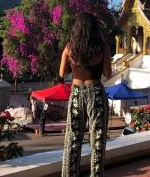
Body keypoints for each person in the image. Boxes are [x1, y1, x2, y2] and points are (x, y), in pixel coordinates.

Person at [60, 12, 112, 177]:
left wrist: (74, 65)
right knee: (97, 141)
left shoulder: (69, 48)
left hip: (76, 93)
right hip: (96, 92)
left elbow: (62, 73)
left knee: (72, 139)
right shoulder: (102, 48)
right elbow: (108, 74)